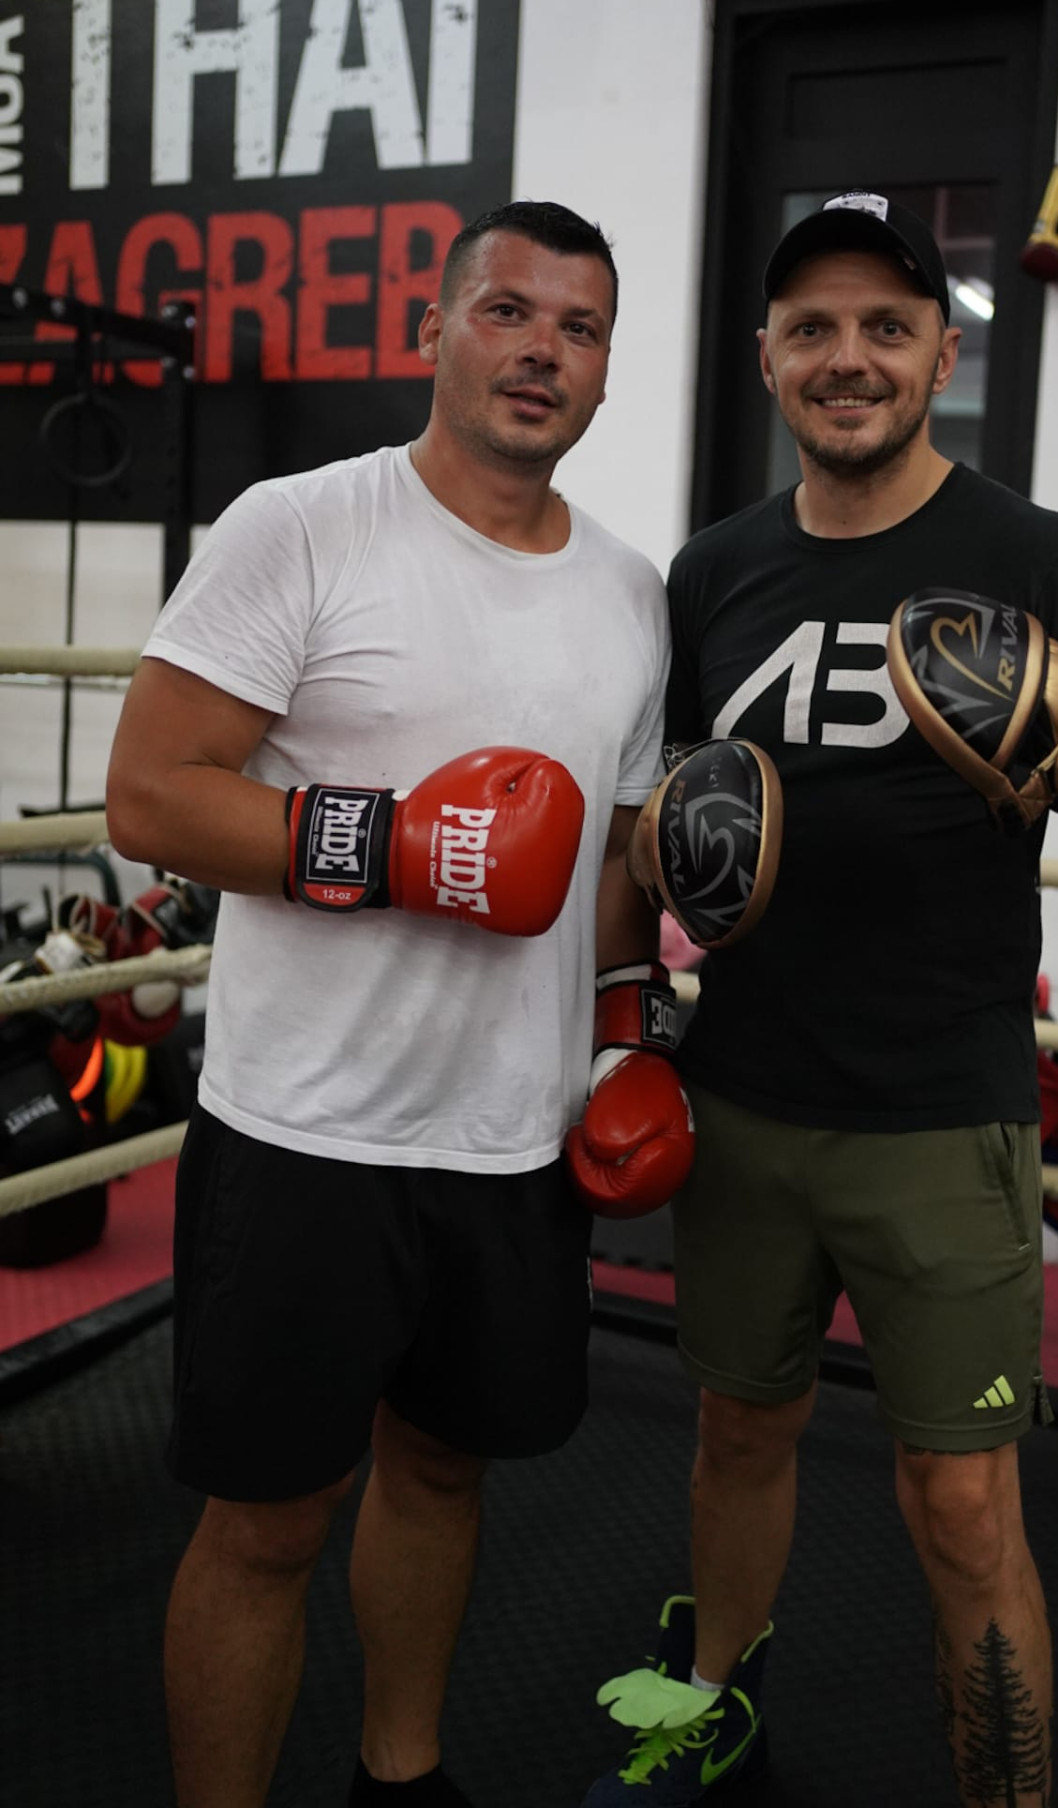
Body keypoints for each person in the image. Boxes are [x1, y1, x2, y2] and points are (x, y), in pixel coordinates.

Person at [582, 191, 1058, 1806]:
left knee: (964, 1504)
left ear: (941, 354)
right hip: (743, 1098)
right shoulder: (713, 572)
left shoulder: (1037, 558)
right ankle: (711, 1708)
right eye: (813, 329)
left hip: (942, 1116)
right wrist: (632, 989)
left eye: (886, 326)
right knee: (735, 1435)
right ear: (768, 359)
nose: (847, 358)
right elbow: (652, 831)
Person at [105, 199, 695, 1808]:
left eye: (578, 328)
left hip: (509, 1138)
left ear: (605, 372)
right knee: (266, 1523)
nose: (541, 351)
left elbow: (617, 855)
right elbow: (152, 795)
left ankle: (402, 1778)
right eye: (509, 310)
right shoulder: (300, 528)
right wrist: (395, 846)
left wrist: (626, 1036)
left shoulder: (632, 593)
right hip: (306, 1132)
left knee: (441, 1473)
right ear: (434, 328)